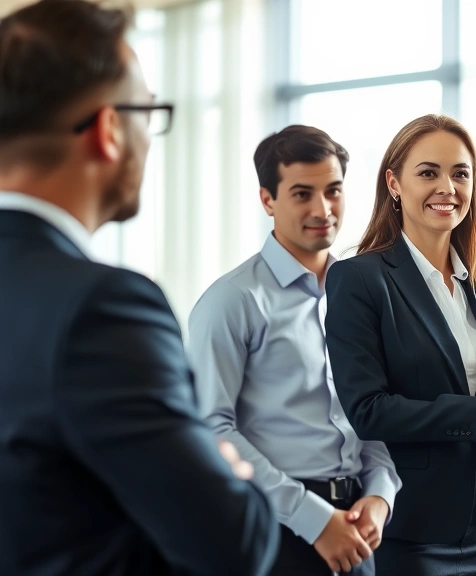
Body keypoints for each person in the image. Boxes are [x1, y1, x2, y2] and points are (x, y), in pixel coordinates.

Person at [0, 1, 278, 575]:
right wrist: (226, 466)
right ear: (108, 131)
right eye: (148, 113)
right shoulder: (103, 309)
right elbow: (233, 546)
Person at [324, 114, 476, 576]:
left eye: (460, 173)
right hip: (412, 527)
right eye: (428, 172)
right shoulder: (359, 279)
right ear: (394, 183)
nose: (447, 187)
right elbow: (369, 410)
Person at [188, 125, 401, 576]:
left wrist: (381, 495)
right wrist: (314, 519)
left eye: (333, 191)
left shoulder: (363, 295)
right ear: (268, 199)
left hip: (358, 529)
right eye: (302, 194)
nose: (322, 209)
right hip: (273, 528)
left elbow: (373, 410)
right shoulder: (232, 301)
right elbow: (211, 426)